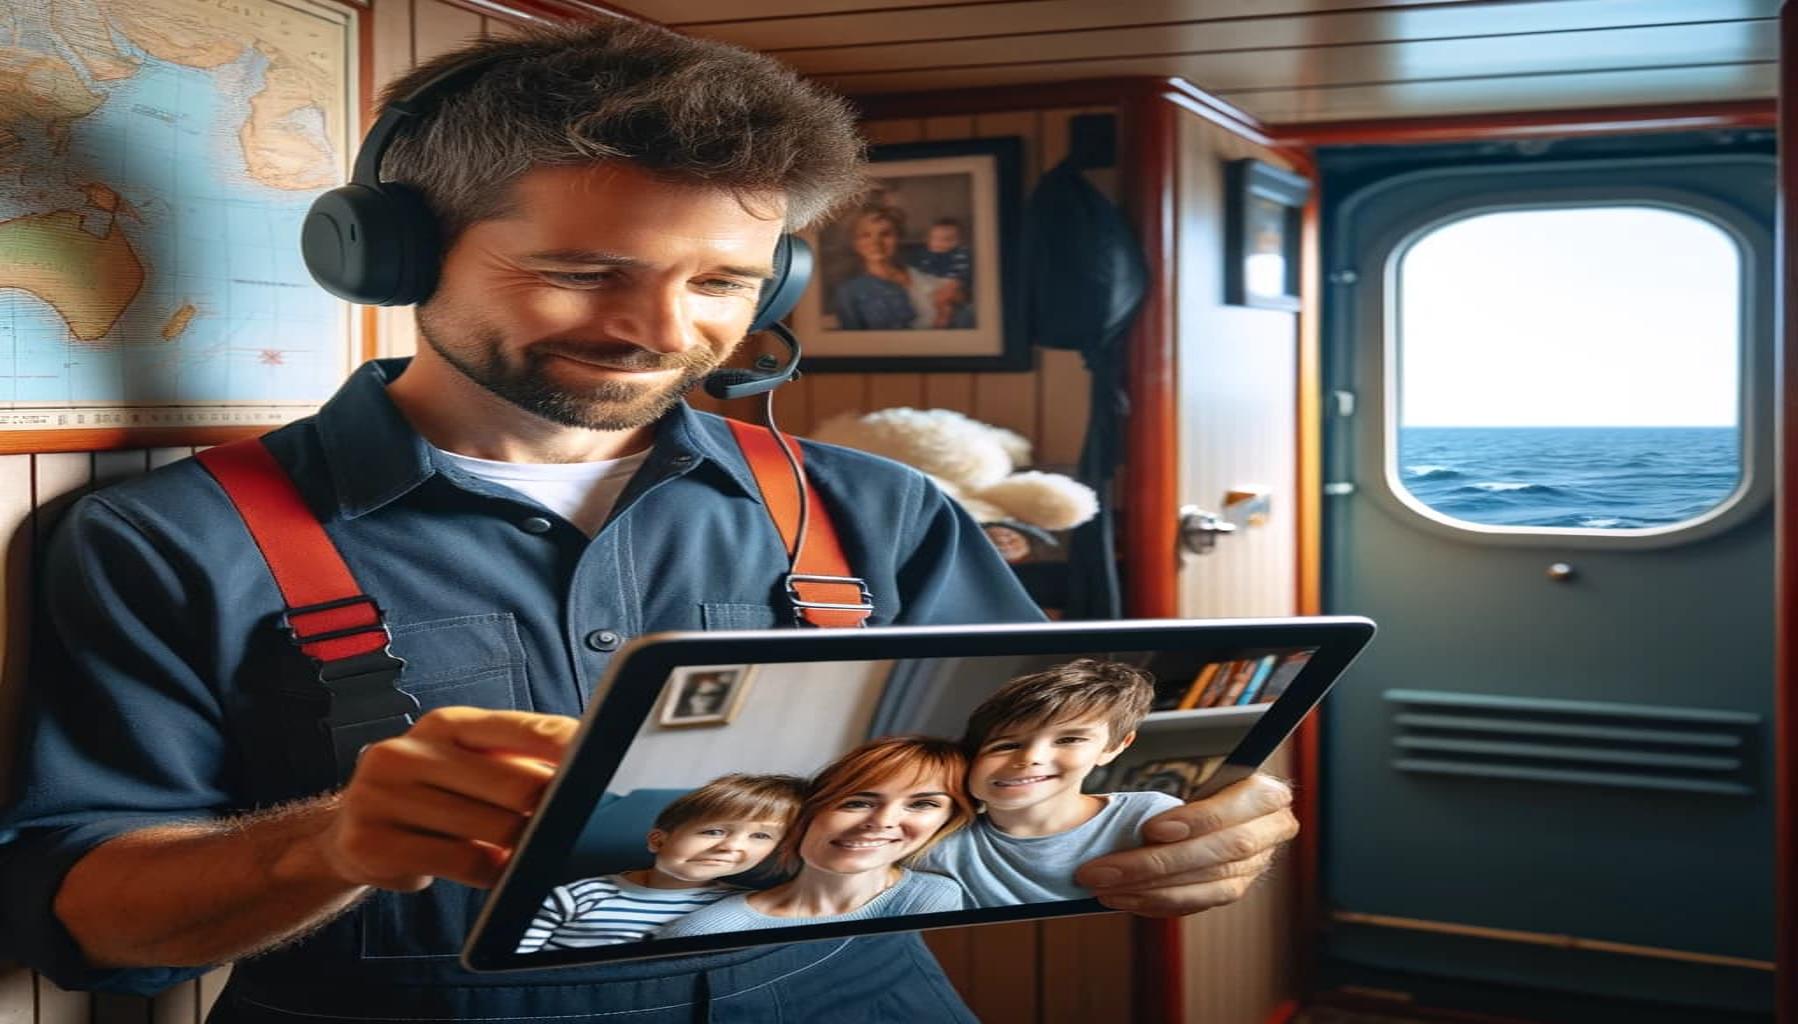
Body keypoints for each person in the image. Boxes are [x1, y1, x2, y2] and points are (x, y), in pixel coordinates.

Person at [0, 18, 1298, 1024]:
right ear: (391, 257)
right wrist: (328, 842)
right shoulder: (168, 540)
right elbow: (89, 919)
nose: (665, 333)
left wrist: (1176, 819)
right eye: (581, 272)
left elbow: (1057, 760)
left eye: (724, 280)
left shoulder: (879, 511)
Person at [917, 659, 1181, 906]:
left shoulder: (1147, 818)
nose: (1031, 758)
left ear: (1114, 746)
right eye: (1007, 745)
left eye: (1069, 740)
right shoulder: (934, 842)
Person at [658, 737, 970, 938]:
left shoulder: (934, 899)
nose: (883, 822)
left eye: (922, 804)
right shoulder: (705, 930)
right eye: (857, 803)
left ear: (945, 822)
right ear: (808, 813)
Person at [516, 773, 803, 951]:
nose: (730, 846)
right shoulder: (578, 896)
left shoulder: (742, 907)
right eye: (713, 831)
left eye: (761, 836)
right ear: (658, 840)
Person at [830, 207, 964, 330]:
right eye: (865, 235)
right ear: (855, 244)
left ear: (898, 238)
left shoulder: (925, 274)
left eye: (886, 234)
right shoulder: (850, 292)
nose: (876, 242)